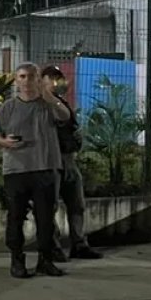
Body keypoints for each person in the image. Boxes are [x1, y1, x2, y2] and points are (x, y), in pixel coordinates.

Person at [0, 62, 70, 279]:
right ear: (16, 80)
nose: (26, 82)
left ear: (38, 80)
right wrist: (5, 142)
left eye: (31, 77)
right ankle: (17, 260)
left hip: (45, 168)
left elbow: (65, 116)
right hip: (16, 170)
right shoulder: (8, 107)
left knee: (45, 218)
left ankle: (46, 260)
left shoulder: (48, 105)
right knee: (16, 217)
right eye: (22, 77)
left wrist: (50, 96)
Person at [40, 65, 101, 262]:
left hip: (68, 159)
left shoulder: (60, 102)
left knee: (77, 204)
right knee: (49, 207)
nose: (56, 83)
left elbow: (69, 123)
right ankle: (53, 246)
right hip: (49, 161)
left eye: (58, 78)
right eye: (52, 79)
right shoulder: (40, 104)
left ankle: (79, 244)